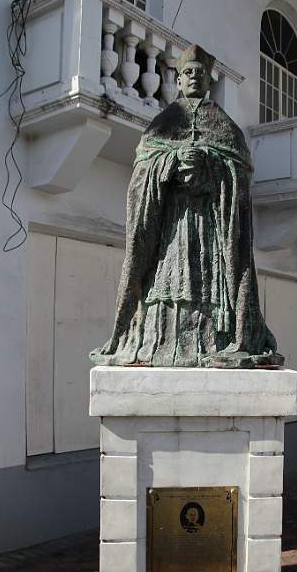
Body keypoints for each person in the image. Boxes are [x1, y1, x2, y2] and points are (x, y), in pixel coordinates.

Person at [90, 43, 283, 368]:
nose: (194, 78)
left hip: (211, 230)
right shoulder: (163, 123)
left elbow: (240, 171)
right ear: (178, 81)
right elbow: (143, 168)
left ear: (209, 82)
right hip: (171, 230)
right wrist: (171, 163)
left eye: (200, 74)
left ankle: (221, 340)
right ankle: (155, 342)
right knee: (167, 281)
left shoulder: (226, 127)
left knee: (212, 283)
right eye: (188, 73)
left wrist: (211, 167)